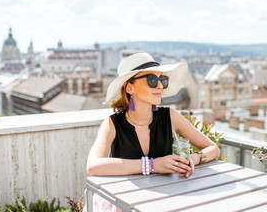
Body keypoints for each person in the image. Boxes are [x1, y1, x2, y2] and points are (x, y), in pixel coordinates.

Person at [87, 52, 220, 179]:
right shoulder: (112, 124)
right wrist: (152, 165)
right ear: (129, 88)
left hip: (164, 196)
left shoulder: (170, 116)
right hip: (123, 198)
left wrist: (191, 159)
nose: (160, 86)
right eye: (152, 80)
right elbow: (93, 166)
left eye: (162, 79)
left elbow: (213, 149)